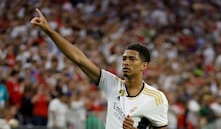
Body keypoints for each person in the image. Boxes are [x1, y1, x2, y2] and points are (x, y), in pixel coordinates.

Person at [31, 8, 168, 129]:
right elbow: (79, 59)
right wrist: (49, 31)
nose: (126, 63)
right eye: (124, 59)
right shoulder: (112, 84)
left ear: (144, 65)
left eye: (132, 59)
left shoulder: (156, 98)